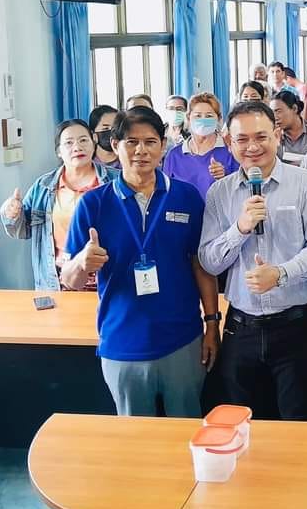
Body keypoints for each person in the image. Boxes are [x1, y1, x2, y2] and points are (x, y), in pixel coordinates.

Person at [64, 106, 219, 416]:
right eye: (131, 142)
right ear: (114, 145)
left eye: (150, 142)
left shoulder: (186, 197)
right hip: (122, 342)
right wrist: (82, 262)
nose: (141, 151)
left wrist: (212, 323)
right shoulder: (93, 204)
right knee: (134, 437)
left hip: (182, 340)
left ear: (163, 146)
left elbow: (201, 265)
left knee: (186, 429)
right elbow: (69, 280)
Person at [199, 101, 307, 420]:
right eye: (242, 139)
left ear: (276, 135)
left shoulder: (306, 183)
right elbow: (209, 261)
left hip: (295, 327)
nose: (252, 147)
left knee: (298, 420)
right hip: (240, 328)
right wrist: (240, 228)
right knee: (243, 421)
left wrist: (281, 274)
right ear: (229, 143)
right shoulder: (220, 193)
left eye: (261, 136)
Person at [1, 119, 119, 291]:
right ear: (59, 151)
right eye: (69, 143)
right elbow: (22, 231)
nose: (77, 147)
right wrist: (12, 214)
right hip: (57, 282)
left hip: (108, 281)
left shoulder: (116, 181)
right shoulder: (43, 186)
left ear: (94, 142)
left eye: (83, 140)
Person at [162, 92, 240, 199]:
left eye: (209, 116)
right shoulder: (174, 155)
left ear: (218, 118)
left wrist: (225, 177)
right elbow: (166, 193)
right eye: (198, 116)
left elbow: (241, 189)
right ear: (188, 118)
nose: (203, 120)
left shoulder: (230, 150)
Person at [271, 90, 307, 167]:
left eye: (278, 111)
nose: (275, 117)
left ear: (294, 108)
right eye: (272, 112)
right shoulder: (273, 135)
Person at [90, 104, 120, 169]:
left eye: (116, 128)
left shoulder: (127, 162)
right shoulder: (87, 162)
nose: (112, 132)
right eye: (106, 128)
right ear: (93, 135)